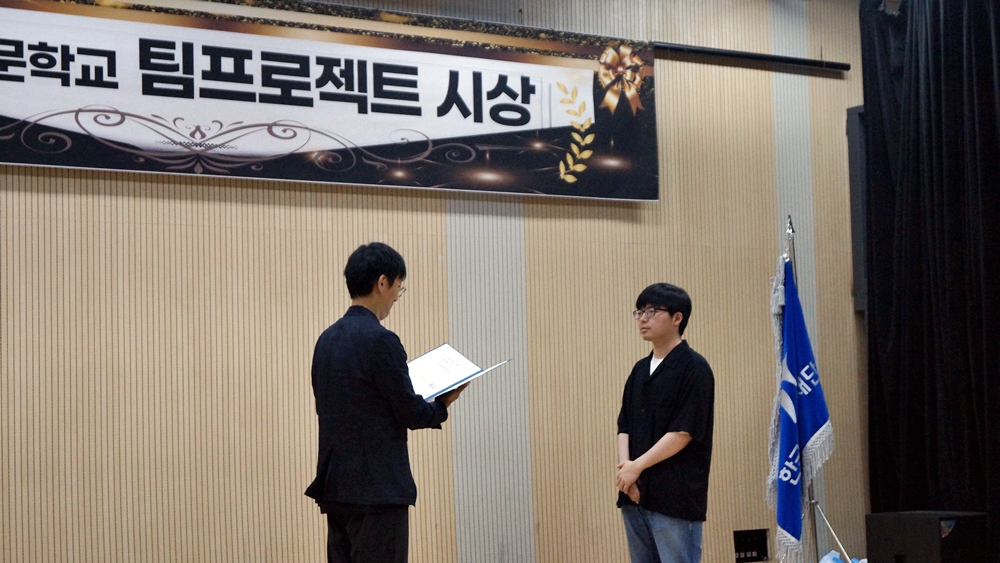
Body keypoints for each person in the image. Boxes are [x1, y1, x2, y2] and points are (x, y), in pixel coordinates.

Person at [305, 242, 466, 563]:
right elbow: (410, 412)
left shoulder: (326, 340)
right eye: (398, 287)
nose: (396, 297)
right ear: (382, 282)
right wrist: (442, 403)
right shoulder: (382, 340)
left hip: (336, 488)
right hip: (378, 491)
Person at [615, 283, 715, 563]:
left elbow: (683, 432)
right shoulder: (639, 370)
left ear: (677, 318)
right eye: (639, 312)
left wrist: (636, 467)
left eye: (651, 311)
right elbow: (624, 425)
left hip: (674, 497)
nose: (642, 319)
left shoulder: (694, 368)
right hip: (633, 492)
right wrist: (626, 471)